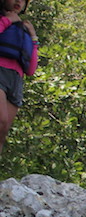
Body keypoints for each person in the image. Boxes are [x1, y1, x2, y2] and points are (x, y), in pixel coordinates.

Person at [0, 0, 38, 155]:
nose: (18, 1)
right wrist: (8, 20)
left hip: (16, 80)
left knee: (2, 131)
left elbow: (31, 69)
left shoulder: (24, 28)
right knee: (1, 120)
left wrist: (33, 37)